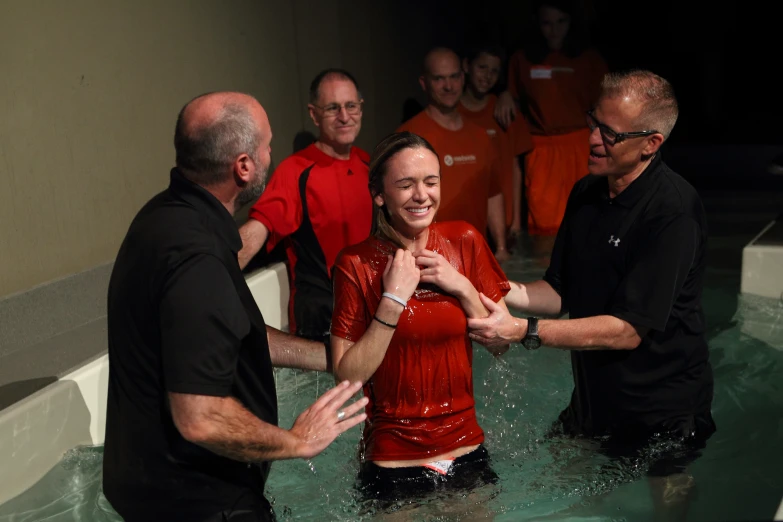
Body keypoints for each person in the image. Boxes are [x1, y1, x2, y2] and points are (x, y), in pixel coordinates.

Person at [103, 91, 367, 522]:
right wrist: (296, 441)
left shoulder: (164, 217)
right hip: (199, 503)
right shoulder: (198, 261)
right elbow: (200, 419)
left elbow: (231, 331)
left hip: (143, 486)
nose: (270, 154)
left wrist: (332, 359)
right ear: (243, 166)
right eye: (266, 146)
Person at [469, 70, 715, 519]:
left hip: (664, 411)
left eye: (610, 132)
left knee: (670, 507)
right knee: (566, 505)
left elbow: (627, 331)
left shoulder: (673, 212)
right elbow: (560, 290)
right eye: (593, 122)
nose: (593, 139)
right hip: (593, 401)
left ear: (651, 144)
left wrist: (523, 331)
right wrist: (500, 292)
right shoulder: (585, 193)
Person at [329, 131, 511, 509]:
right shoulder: (355, 264)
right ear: (379, 194)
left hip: (466, 450)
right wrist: (392, 301)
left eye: (431, 182)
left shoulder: (464, 240)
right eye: (405, 185)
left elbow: (502, 343)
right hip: (393, 460)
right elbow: (348, 375)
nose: (422, 195)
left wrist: (460, 287)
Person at [238, 69, 372, 343]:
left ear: (361, 108)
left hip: (371, 314)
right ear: (314, 114)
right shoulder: (295, 171)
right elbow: (256, 230)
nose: (344, 117)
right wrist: (206, 274)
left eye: (351, 106)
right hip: (321, 326)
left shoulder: (370, 164)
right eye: (333, 108)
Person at [495, 0, 608, 236]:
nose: (554, 30)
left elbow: (606, 107)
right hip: (541, 149)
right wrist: (505, 94)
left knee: (587, 223)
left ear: (571, 23)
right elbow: (514, 98)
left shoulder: (590, 59)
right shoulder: (522, 59)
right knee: (544, 226)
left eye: (561, 22)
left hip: (581, 145)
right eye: (547, 23)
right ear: (537, 24)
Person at [398, 47, 510, 263]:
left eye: (454, 77)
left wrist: (502, 247)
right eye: (439, 79)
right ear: (424, 83)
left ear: (463, 77)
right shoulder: (408, 137)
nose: (448, 86)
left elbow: (493, 194)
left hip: (477, 258)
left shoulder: (481, 137)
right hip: (429, 260)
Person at [459, 42, 534, 238]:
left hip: (502, 223)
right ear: (466, 66)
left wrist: (516, 221)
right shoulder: (452, 112)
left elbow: (516, 166)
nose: (487, 75)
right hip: (465, 221)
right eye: (482, 67)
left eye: (494, 70)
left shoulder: (505, 111)